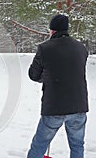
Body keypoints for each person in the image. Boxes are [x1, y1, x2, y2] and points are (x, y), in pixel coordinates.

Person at [27, 14, 89, 158]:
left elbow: (33, 74)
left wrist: (47, 77)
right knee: (77, 145)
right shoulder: (81, 48)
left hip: (54, 107)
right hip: (79, 107)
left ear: (52, 30)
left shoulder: (44, 48)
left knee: (39, 144)